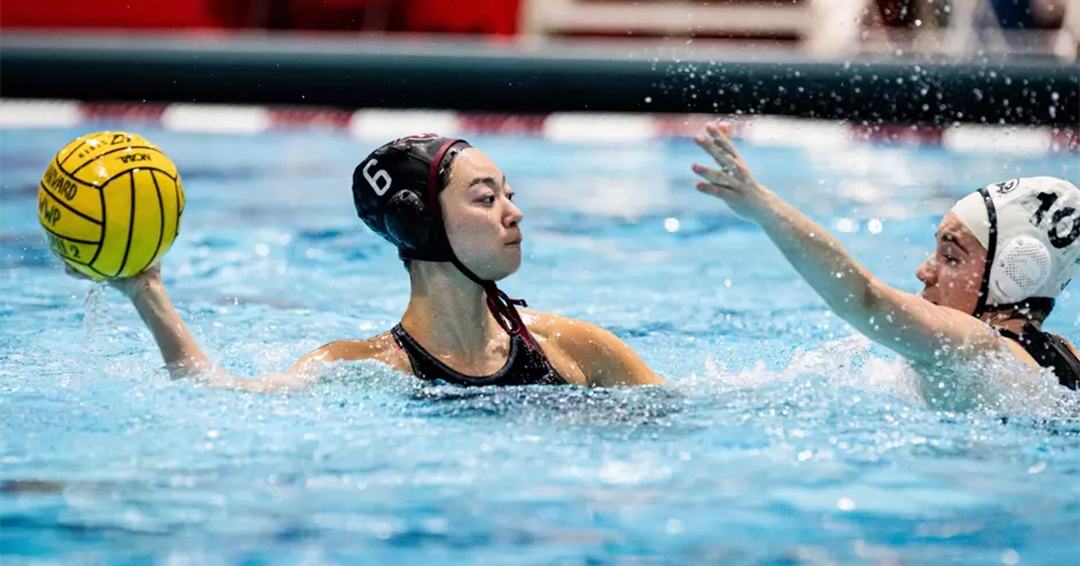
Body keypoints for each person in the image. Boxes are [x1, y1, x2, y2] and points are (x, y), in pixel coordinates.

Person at [74, 134, 665, 391]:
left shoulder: (574, 346)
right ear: (419, 222)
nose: (513, 214)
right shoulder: (359, 367)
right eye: (486, 198)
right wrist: (147, 292)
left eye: (509, 194)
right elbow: (219, 394)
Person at [692, 122, 1080, 409]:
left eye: (950, 257)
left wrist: (764, 208)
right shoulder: (1065, 354)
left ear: (1014, 275)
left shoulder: (974, 343)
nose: (924, 272)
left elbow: (863, 298)